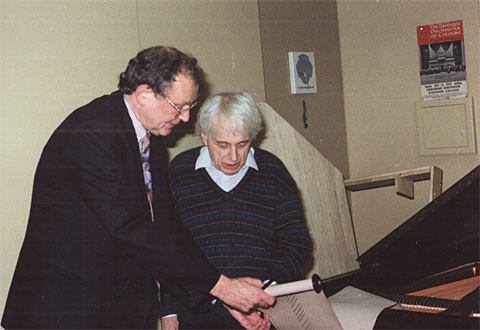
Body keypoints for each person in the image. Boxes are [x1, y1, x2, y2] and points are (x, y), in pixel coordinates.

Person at [2, 47, 275, 330]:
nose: (185, 119)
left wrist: (222, 297)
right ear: (145, 94)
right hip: (66, 310)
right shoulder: (93, 131)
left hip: (116, 307)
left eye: (190, 108)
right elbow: (131, 227)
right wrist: (222, 288)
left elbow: (166, 228)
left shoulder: (151, 136)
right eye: (179, 107)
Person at [160, 92, 311, 329]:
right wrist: (167, 311)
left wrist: (260, 290)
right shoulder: (178, 173)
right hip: (196, 317)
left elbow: (297, 243)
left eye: (242, 144)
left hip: (259, 314)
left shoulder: (273, 172)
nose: (233, 156)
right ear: (204, 137)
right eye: (222, 145)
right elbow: (164, 249)